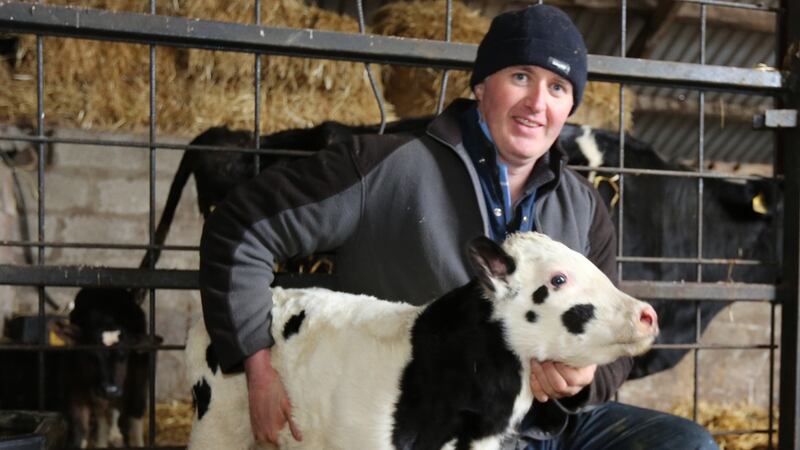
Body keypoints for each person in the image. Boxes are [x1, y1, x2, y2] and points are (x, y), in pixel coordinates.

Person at [198, 5, 719, 449]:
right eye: (521, 77)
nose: (538, 103)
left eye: (558, 87)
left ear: (570, 108)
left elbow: (610, 356)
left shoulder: (583, 206)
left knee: (688, 444)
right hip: (425, 426)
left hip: (540, 429)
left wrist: (582, 380)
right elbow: (240, 230)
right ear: (481, 84)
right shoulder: (383, 167)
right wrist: (254, 366)